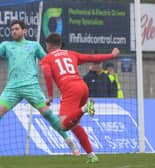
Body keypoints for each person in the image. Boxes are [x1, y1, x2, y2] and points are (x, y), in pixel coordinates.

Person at [0, 20, 80, 155]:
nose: (14, 31)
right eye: (12, 29)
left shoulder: (34, 46)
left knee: (48, 113)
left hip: (32, 87)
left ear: (24, 30)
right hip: (12, 88)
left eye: (17, 29)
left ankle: (69, 141)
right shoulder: (6, 45)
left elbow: (49, 61)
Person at [40, 33, 120, 163]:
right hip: (83, 87)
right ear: (60, 45)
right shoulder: (71, 54)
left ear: (48, 45)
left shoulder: (47, 59)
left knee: (63, 125)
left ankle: (85, 108)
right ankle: (91, 155)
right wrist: (111, 55)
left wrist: (50, 96)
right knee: (74, 124)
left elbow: (48, 76)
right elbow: (93, 57)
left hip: (70, 90)